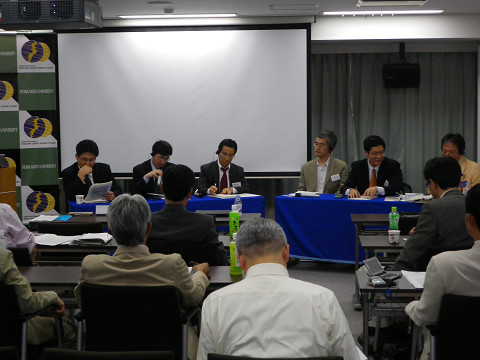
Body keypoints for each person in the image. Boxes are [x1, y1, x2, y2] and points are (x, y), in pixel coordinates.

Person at [197, 218, 366, 360]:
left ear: (240, 260)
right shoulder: (323, 299)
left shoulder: (215, 303)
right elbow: (349, 356)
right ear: (286, 253)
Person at [75, 194, 210, 359]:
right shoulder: (171, 264)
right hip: (167, 351)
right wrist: (201, 274)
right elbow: (193, 298)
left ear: (111, 232)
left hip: (107, 351)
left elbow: (82, 303)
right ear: (148, 229)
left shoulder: (92, 266)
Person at [405, 184, 480, 360]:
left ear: (469, 220)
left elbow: (425, 316)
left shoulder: (443, 264)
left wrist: (410, 307)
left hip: (452, 350)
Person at [394, 157, 473, 271]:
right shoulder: (472, 203)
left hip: (439, 273)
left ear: (432, 183)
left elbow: (412, 252)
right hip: (471, 272)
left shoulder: (433, 207)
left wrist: (394, 273)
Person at [148, 164, 228, 265]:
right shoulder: (205, 223)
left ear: (162, 188)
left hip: (157, 278)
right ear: (190, 193)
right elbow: (220, 259)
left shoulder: (148, 222)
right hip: (195, 278)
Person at [0, 248, 75, 346]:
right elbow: (27, 303)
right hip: (12, 331)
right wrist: (53, 296)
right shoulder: (3, 257)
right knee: (71, 331)